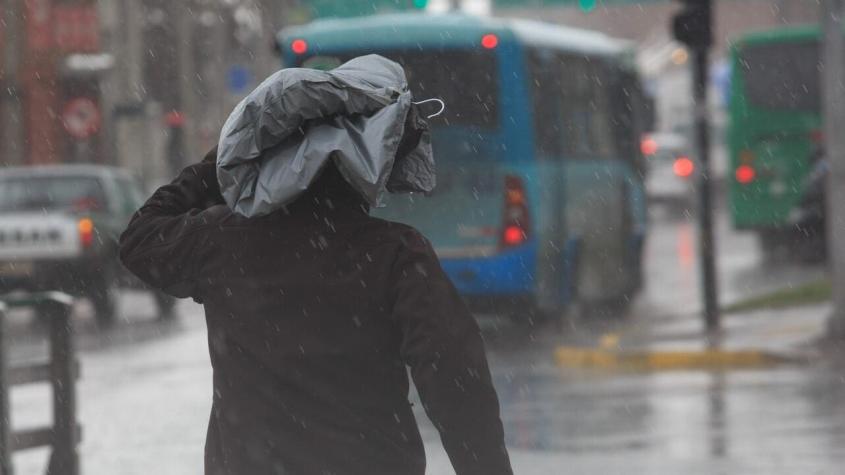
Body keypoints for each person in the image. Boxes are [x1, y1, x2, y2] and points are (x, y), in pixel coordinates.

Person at [119, 146, 513, 474]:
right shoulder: (395, 252)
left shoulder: (224, 242)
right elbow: (454, 374)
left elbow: (139, 239)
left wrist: (221, 163)